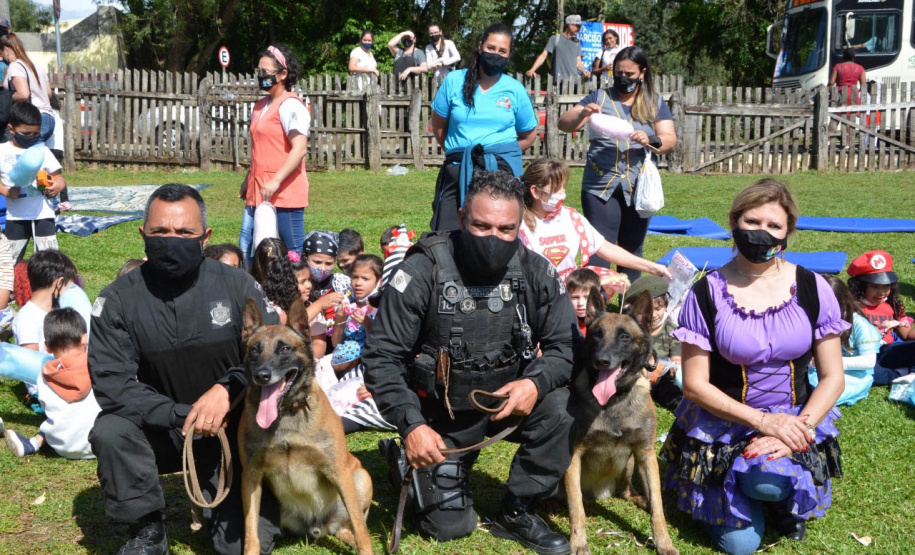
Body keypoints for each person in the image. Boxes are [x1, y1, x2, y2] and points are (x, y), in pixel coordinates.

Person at [364, 171, 575, 553]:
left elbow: (565, 347)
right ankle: (406, 463)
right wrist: (412, 426)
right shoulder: (420, 270)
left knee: (564, 407)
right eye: (481, 225)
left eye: (506, 229)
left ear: (520, 224)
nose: (494, 237)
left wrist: (535, 383)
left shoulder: (536, 271)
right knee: (450, 526)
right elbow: (382, 357)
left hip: (509, 403)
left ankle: (518, 509)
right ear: (462, 216)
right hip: (439, 415)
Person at [88, 184, 282, 555]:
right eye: (160, 232)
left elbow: (267, 358)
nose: (170, 241)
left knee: (240, 546)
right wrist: (182, 415)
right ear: (142, 233)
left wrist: (227, 389)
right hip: (167, 429)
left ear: (205, 236)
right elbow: (112, 385)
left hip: (234, 431)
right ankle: (146, 530)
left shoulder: (238, 286)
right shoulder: (117, 300)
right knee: (111, 430)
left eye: (184, 233)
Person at [660, 179, 848, 555]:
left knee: (768, 483)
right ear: (733, 222)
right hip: (725, 420)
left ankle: (776, 498)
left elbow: (833, 377)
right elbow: (695, 385)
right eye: (752, 222)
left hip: (795, 417)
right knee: (741, 547)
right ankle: (741, 491)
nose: (762, 233)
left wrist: (795, 429)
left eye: (774, 226)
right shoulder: (706, 293)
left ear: (788, 233)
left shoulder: (813, 288)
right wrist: (763, 422)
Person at [558, 46, 677, 281]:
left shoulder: (654, 102)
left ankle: (629, 306)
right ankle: (594, 303)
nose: (623, 78)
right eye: (618, 73)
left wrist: (651, 139)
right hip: (600, 185)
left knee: (633, 248)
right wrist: (583, 114)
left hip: (637, 185)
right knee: (600, 247)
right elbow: (564, 123)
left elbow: (670, 139)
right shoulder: (598, 97)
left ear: (642, 73)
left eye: (629, 74)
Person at [429, 22, 538, 231]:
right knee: (448, 233)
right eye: (491, 48)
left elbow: (529, 134)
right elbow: (439, 127)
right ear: (480, 47)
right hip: (458, 170)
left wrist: (503, 154)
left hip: (501, 173)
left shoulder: (514, 89)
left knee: (497, 232)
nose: (495, 54)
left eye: (502, 51)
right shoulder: (453, 81)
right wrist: (463, 152)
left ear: (509, 54)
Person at [519, 157, 670, 282]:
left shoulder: (571, 218)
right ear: (535, 192)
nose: (563, 193)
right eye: (557, 189)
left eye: (563, 187)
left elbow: (606, 249)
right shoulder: (517, 225)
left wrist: (653, 268)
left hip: (568, 297)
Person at [238, 44, 309, 267]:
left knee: (293, 251)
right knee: (247, 247)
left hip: (284, 193)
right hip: (257, 189)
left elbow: (299, 148)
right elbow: (260, 149)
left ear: (283, 74)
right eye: (259, 72)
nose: (261, 77)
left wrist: (276, 180)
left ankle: (301, 295)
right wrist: (247, 180)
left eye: (266, 73)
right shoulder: (260, 106)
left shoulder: (291, 106)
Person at [4, 307, 100, 459]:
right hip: (100, 444)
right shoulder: (100, 365)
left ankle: (33, 443)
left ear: (47, 347)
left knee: (58, 418)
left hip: (61, 447)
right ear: (84, 338)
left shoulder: (44, 375)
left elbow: (47, 408)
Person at [0, 102, 66, 262]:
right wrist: (5, 191)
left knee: (48, 261)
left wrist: (55, 187)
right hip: (15, 216)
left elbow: (59, 179)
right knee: (10, 261)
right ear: (11, 129)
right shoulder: (2, 151)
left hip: (43, 214)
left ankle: (46, 286)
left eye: (35, 134)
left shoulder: (42, 151)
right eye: (26, 133)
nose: (31, 137)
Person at [12, 249, 80, 401]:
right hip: (45, 388)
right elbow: (30, 366)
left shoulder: (58, 310)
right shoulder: (27, 317)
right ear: (59, 282)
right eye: (69, 285)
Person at [807, 275, 881, 406]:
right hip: (817, 371)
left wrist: (830, 363)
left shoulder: (859, 324)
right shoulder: (815, 319)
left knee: (820, 393)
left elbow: (869, 361)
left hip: (853, 377)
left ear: (844, 303)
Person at [846, 249, 915, 385]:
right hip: (863, 355)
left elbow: (906, 334)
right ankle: (901, 374)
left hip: (885, 352)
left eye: (886, 286)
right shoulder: (852, 307)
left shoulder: (891, 305)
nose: (881, 292)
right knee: (871, 373)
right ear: (860, 285)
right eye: (875, 286)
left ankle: (909, 373)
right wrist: (873, 332)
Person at [624, 274, 682, 411]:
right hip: (633, 376)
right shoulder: (628, 329)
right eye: (647, 310)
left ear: (666, 306)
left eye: (658, 309)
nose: (654, 315)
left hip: (660, 379)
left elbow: (676, 360)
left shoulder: (672, 331)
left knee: (670, 391)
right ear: (633, 309)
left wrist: (673, 367)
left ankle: (683, 409)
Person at [1, 34, 56, 146]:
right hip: (49, 119)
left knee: (27, 159)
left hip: (32, 122)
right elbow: (49, 93)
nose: (1, 56)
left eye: (0, 52)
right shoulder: (36, 65)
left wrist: (5, 97)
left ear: (6, 49)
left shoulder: (15, 66)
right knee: (37, 157)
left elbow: (23, 94)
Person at [303, 230, 347, 359]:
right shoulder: (300, 284)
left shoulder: (341, 283)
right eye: (317, 262)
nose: (322, 268)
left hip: (336, 343)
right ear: (305, 258)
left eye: (328, 264)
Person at [525, 15, 591, 84]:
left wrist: (584, 71)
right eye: (578, 26)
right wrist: (532, 69)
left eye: (580, 27)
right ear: (570, 25)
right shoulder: (554, 39)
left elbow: (578, 62)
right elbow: (543, 56)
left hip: (573, 84)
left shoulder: (576, 42)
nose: (579, 29)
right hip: (558, 83)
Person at [249, 237, 299, 324]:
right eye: (273, 263)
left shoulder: (293, 282)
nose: (278, 268)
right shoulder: (252, 287)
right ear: (260, 264)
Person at [566, 267, 604, 339]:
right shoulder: (563, 323)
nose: (580, 303)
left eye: (586, 298)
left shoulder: (602, 325)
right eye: (575, 297)